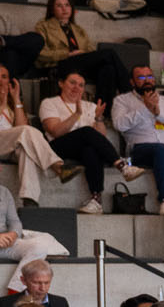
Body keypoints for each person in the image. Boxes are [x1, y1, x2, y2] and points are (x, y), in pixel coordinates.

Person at [37, 71, 124, 213]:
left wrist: (99, 119)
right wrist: (76, 114)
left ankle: (96, 199)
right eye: (72, 83)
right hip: (57, 147)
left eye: (81, 85)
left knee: (91, 150)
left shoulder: (90, 106)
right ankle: (120, 164)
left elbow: (101, 138)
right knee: (87, 132)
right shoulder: (49, 103)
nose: (76, 88)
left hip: (81, 148)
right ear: (61, 84)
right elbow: (55, 132)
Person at [0, 153, 65, 294]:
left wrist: (13, 234)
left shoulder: (3, 192)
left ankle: (14, 293)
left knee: (39, 246)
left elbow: (15, 221)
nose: (0, 168)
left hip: (5, 244)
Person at [30, 0, 122, 102]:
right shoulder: (43, 26)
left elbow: (91, 51)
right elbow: (40, 54)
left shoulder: (78, 29)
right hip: (59, 65)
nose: (64, 9)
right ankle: (128, 91)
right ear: (52, 10)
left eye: (67, 5)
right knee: (109, 53)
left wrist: (82, 54)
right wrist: (68, 54)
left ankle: (103, 112)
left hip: (80, 65)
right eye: (59, 6)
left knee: (109, 69)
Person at [0, 82, 58, 207]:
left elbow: (20, 126)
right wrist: (1, 105)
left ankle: (30, 199)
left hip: (11, 144)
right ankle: (56, 165)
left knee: (26, 150)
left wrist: (16, 98)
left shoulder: (11, 103)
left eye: (3, 77)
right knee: (26, 130)